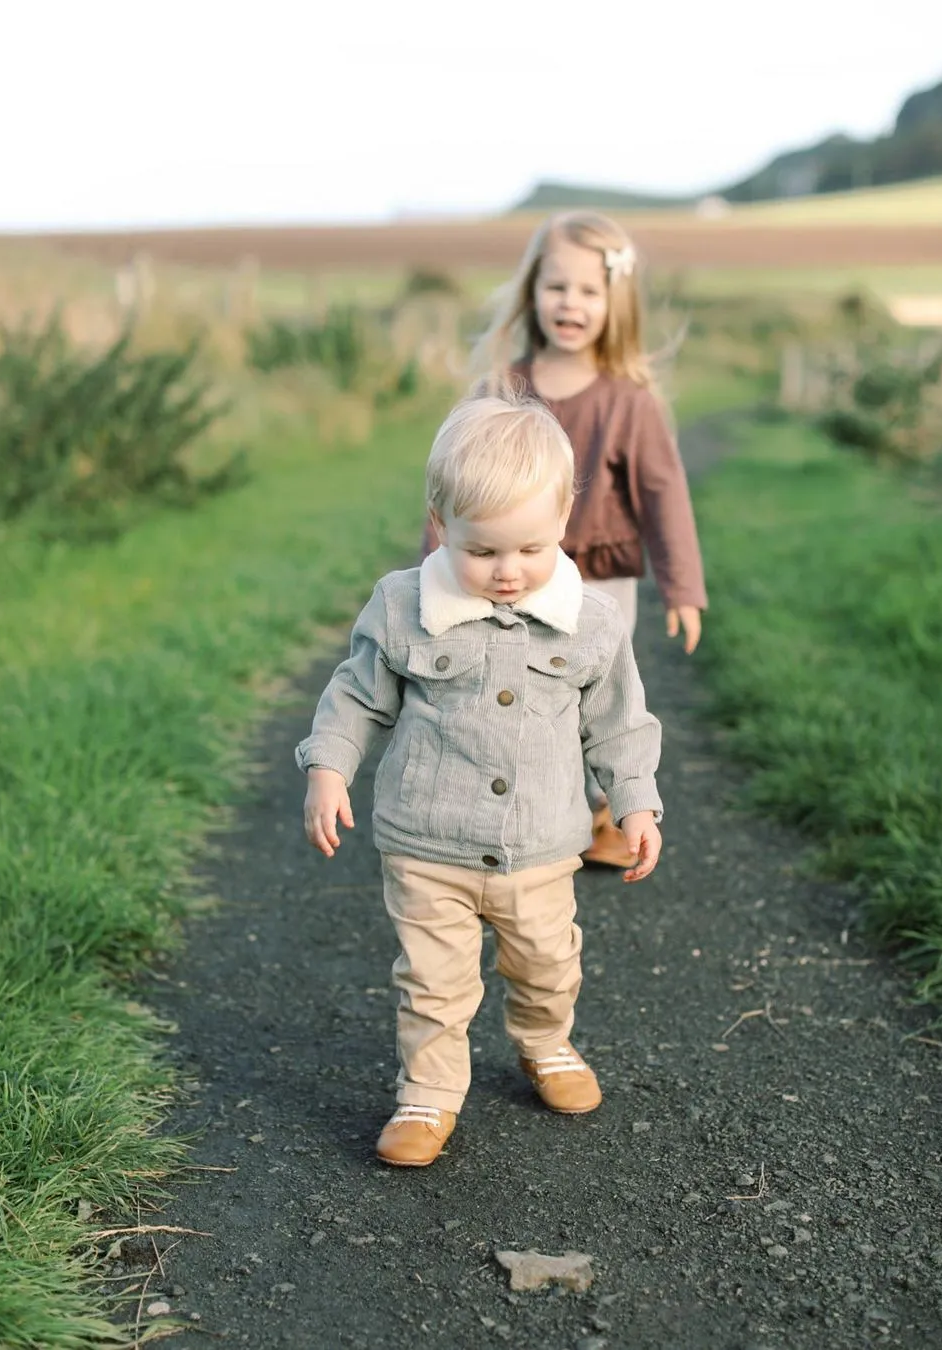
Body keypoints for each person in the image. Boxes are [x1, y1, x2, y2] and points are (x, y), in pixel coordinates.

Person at [297, 389, 664, 1168]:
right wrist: (329, 767)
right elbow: (357, 694)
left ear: (564, 515)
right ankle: (426, 1096)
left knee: (546, 962)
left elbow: (619, 723)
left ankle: (546, 1045)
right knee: (433, 981)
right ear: (440, 523)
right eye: (484, 551)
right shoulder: (404, 606)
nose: (507, 572)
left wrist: (636, 803)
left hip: (541, 845)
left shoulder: (593, 622)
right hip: (428, 842)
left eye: (530, 549)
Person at [422, 211, 707, 869]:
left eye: (587, 291)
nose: (570, 304)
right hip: (505, 574)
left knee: (592, 694)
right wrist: (428, 574)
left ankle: (600, 806)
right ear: (532, 293)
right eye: (557, 287)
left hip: (597, 580)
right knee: (510, 687)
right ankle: (510, 804)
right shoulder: (497, 389)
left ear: (616, 302)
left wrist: (682, 586)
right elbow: (447, 491)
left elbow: (664, 497)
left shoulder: (627, 402)